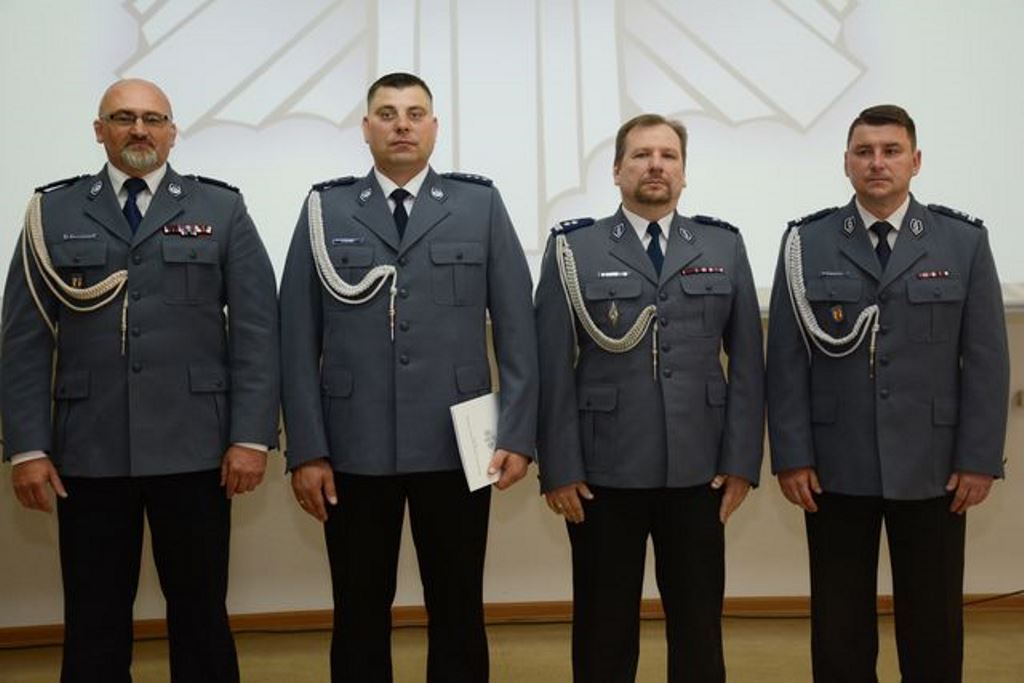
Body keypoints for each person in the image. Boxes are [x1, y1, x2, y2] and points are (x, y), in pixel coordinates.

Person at [0, 79, 279, 682]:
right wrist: (27, 448)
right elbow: (24, 339)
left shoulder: (220, 209)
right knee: (94, 618)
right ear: (99, 130)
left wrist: (251, 437)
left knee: (201, 615)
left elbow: (257, 330)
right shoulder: (52, 211)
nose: (139, 130)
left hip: (197, 449)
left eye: (153, 119)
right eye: (123, 117)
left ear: (173, 132)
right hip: (90, 450)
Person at [279, 72, 538, 682]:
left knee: (458, 605)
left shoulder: (479, 205)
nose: (402, 125)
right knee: (358, 608)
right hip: (352, 445)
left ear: (434, 127)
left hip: (457, 444)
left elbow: (518, 330)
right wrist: (307, 449)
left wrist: (517, 434)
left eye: (415, 113)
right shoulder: (324, 209)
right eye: (388, 113)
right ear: (366, 128)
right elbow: (296, 339)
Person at [766, 104, 1009, 682]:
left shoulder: (962, 241)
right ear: (846, 163)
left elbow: (985, 360)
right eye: (865, 152)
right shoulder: (806, 242)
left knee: (933, 620)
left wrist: (978, 459)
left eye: (891, 151)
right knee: (839, 623)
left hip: (934, 465)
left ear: (915, 161)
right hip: (834, 463)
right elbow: (786, 361)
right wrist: (792, 455)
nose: (878, 163)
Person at [535, 113, 764, 682]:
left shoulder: (723, 244)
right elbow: (551, 369)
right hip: (602, 472)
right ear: (617, 171)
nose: (655, 166)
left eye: (668, 156)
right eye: (641, 155)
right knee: (603, 631)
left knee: (699, 628)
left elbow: (748, 366)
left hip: (700, 470)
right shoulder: (573, 249)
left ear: (684, 172)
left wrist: (741, 462)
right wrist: (559, 467)